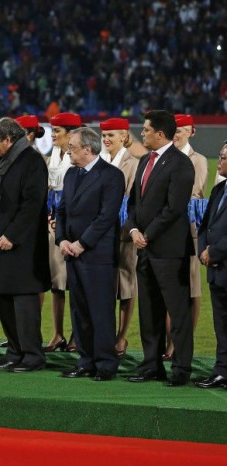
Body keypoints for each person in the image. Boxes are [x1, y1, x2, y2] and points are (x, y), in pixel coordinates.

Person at [124, 110, 195, 387]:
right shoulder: (144, 162)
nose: (142, 134)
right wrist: (132, 230)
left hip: (169, 250)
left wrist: (147, 234)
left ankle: (181, 368)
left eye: (146, 130)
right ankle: (151, 364)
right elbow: (133, 203)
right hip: (145, 248)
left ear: (161, 134)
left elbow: (174, 208)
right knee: (149, 310)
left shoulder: (180, 164)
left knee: (177, 312)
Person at [56, 127, 124, 381]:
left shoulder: (111, 176)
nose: (68, 151)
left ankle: (106, 363)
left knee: (101, 311)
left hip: (97, 256)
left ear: (88, 149)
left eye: (72, 147)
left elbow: (106, 217)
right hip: (73, 253)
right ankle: (85, 361)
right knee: (80, 310)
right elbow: (61, 210)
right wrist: (61, 239)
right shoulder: (72, 174)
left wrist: (82, 243)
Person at [0, 117, 50, 373]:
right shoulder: (5, 161)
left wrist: (12, 235)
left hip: (23, 246)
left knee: (24, 303)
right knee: (6, 301)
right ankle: (14, 352)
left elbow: (32, 205)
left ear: (9, 139)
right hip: (1, 241)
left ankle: (32, 355)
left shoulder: (31, 162)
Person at [163, 113, 208, 361]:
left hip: (188, 232)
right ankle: (171, 341)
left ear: (192, 132)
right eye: (175, 129)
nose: (177, 133)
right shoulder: (167, 157)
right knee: (170, 288)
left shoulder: (197, 160)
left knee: (191, 287)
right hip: (167, 232)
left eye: (182, 130)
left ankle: (181, 343)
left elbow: (195, 193)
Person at [100, 117, 139, 356]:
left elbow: (132, 202)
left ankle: (121, 337)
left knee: (126, 285)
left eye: (111, 135)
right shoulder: (99, 160)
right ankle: (105, 335)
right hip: (101, 235)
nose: (106, 140)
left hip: (124, 233)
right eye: (104, 135)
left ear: (124, 136)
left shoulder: (134, 164)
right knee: (104, 286)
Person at [44, 112, 81, 353]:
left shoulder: (79, 157)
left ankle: (77, 336)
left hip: (73, 227)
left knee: (77, 285)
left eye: (58, 130)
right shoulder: (52, 157)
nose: (53, 134)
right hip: (53, 225)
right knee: (56, 284)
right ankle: (57, 334)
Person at [195, 142, 227, 389]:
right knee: (221, 324)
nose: (221, 161)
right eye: (221, 156)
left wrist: (214, 252)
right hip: (216, 269)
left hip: (221, 261)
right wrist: (203, 250)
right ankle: (222, 371)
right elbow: (205, 224)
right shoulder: (219, 189)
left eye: (225, 157)